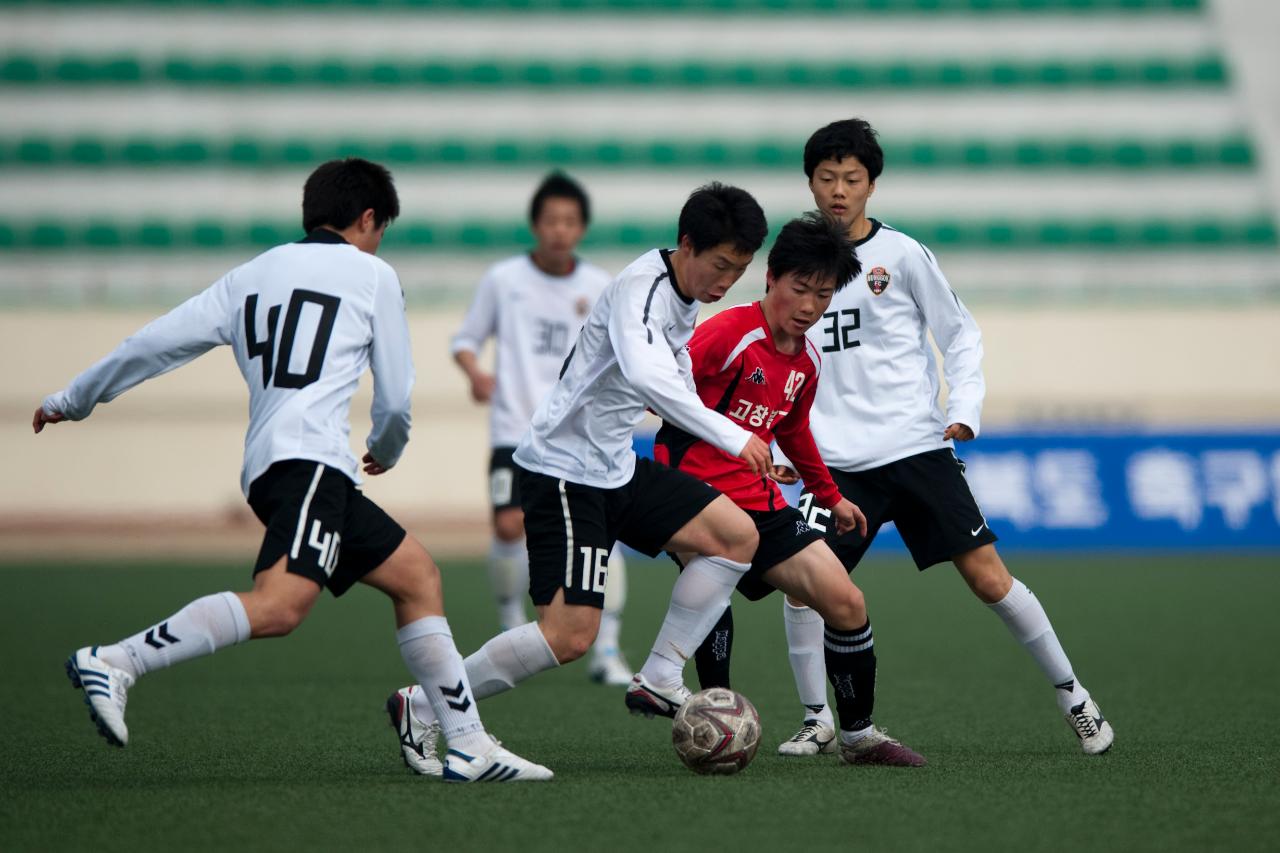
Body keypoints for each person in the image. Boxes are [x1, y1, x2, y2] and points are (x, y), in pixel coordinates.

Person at [36, 158, 552, 782]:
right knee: (281, 606)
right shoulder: (372, 275)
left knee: (417, 576)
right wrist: (388, 445)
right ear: (367, 219)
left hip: (272, 464)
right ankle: (117, 661)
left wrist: (73, 398)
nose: (378, 239)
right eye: (379, 227)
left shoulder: (251, 274)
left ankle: (468, 745)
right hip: (312, 460)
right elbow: (394, 395)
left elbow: (155, 342)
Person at [386, 183, 773, 776]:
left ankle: (661, 674)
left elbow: (677, 386)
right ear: (687, 245)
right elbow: (649, 378)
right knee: (568, 637)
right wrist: (730, 436)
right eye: (720, 265)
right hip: (564, 474)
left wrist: (748, 444)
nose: (726, 281)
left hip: (614, 467)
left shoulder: (684, 296)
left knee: (735, 535)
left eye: (740, 269)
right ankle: (425, 704)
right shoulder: (639, 290)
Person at [776, 118, 1114, 756]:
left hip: (916, 447)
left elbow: (960, 334)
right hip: (837, 461)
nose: (839, 190)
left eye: (852, 178)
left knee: (989, 579)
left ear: (872, 184)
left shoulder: (902, 255)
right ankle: (818, 717)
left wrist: (966, 406)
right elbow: (780, 356)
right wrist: (784, 445)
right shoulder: (793, 267)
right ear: (811, 184)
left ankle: (1075, 697)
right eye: (827, 178)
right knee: (803, 585)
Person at [655, 212, 925, 766]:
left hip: (761, 501)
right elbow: (660, 389)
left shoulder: (807, 361)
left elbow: (794, 431)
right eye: (800, 289)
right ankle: (711, 715)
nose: (809, 306)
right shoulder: (725, 334)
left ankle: (857, 734)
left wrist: (832, 498)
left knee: (846, 601)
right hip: (695, 493)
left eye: (823, 295)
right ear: (771, 278)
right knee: (713, 584)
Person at [446, 172, 631, 686]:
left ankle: (608, 648)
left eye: (570, 221)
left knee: (603, 533)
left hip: (581, 435)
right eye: (551, 220)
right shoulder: (503, 280)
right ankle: (510, 624)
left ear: (582, 228)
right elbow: (464, 340)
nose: (559, 230)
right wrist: (476, 372)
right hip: (516, 430)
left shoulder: (599, 286)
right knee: (509, 525)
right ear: (535, 225)